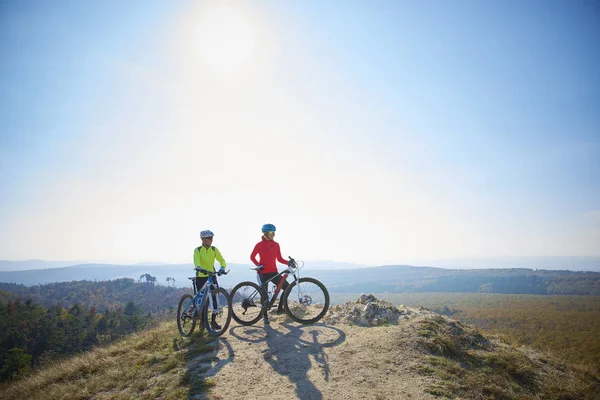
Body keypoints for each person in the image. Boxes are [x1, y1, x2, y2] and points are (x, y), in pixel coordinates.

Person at [250, 223, 290, 324]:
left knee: (287, 287)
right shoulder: (259, 245)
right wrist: (258, 264)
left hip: (273, 272)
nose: (273, 234)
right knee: (265, 296)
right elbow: (252, 256)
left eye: (274, 233)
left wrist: (288, 262)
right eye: (272, 232)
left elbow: (279, 259)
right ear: (265, 233)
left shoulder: (276, 245)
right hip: (263, 273)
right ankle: (265, 316)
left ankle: (280, 308)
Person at [194, 229, 227, 330]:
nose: (211, 240)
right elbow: (196, 262)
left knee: (214, 299)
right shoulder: (198, 250)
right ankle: (203, 323)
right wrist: (199, 267)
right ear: (203, 239)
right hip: (201, 277)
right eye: (209, 238)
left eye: (212, 238)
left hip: (212, 276)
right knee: (202, 301)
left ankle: (213, 322)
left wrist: (222, 267)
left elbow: (222, 260)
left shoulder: (214, 250)